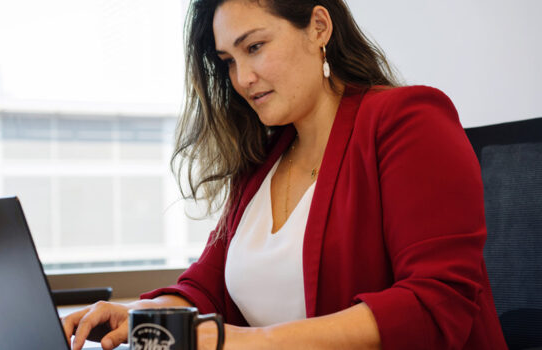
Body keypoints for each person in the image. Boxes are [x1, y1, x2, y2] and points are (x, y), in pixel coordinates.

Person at [62, 0, 508, 349]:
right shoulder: (263, 157)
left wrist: (251, 342)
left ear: (318, 27)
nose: (242, 78)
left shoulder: (406, 120)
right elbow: (208, 286)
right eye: (228, 60)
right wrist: (148, 314)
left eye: (254, 47)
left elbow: (435, 303)